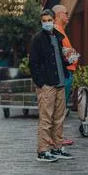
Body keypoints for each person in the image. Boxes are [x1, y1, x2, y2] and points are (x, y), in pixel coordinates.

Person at [29, 9, 74, 162]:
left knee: (59, 118)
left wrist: (69, 59)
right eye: (44, 20)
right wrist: (41, 83)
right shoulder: (38, 39)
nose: (47, 23)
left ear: (54, 20)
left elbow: (59, 59)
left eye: (49, 20)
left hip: (60, 82)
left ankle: (57, 147)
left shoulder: (58, 37)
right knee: (46, 119)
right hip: (47, 85)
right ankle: (42, 151)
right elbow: (33, 64)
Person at [52, 4, 79, 146]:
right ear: (58, 15)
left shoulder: (61, 30)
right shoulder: (56, 31)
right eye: (66, 13)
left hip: (68, 71)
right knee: (60, 107)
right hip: (64, 73)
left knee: (61, 107)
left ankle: (58, 136)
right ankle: (57, 137)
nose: (68, 16)